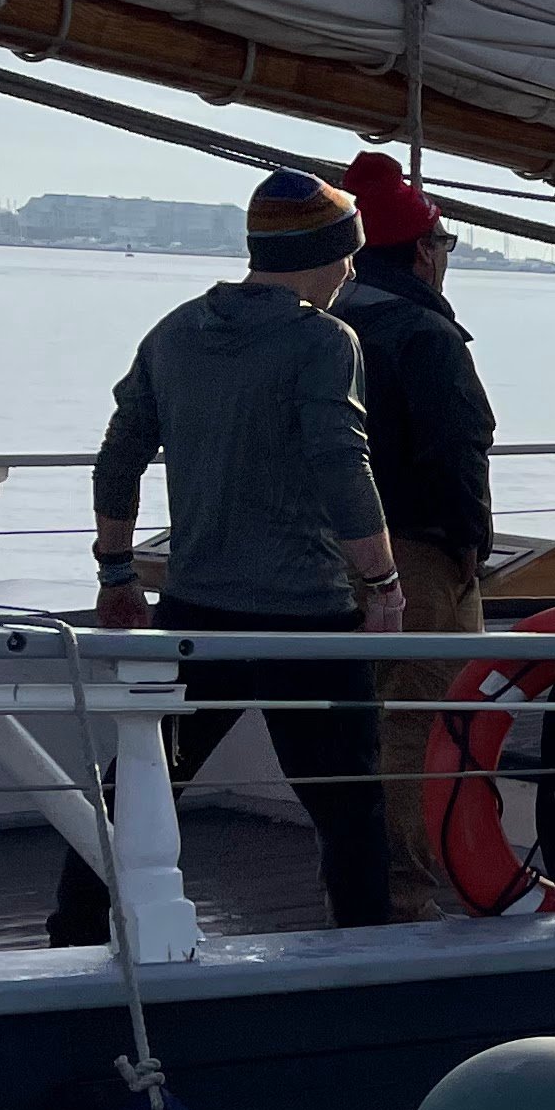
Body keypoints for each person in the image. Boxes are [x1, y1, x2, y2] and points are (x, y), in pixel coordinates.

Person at [53, 169, 408, 943]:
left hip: (197, 612)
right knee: (348, 804)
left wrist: (116, 572)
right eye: (347, 257)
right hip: (306, 619)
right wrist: (381, 579)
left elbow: (119, 457)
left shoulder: (175, 331)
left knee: (141, 785)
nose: (351, 271)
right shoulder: (324, 340)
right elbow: (340, 461)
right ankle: (365, 954)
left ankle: (72, 934)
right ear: (326, 256)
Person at [333, 152, 498, 917]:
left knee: (347, 724)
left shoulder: (327, 326)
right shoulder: (425, 336)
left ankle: (355, 879)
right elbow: (457, 446)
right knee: (420, 723)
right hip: (420, 558)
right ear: (424, 250)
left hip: (328, 553)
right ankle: (403, 890)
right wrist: (469, 543)